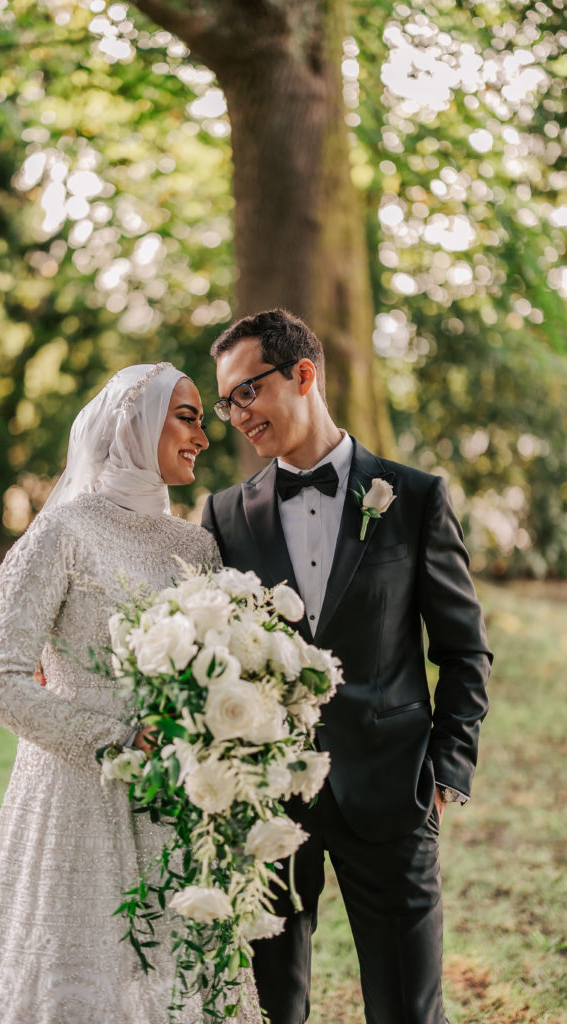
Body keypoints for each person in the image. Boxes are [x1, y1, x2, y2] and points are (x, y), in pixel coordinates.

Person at [0, 363, 261, 1024]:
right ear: (133, 422)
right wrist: (114, 739)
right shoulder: (62, 534)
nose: (203, 436)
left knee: (171, 974)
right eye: (187, 415)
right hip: (75, 798)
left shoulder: (196, 545)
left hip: (175, 798)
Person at [202, 309, 492, 1024]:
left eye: (248, 391)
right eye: (226, 400)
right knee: (272, 1006)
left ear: (303, 374)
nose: (237, 414)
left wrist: (446, 772)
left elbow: (462, 649)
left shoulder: (414, 498)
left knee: (406, 1006)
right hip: (266, 798)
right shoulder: (223, 517)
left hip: (393, 790)